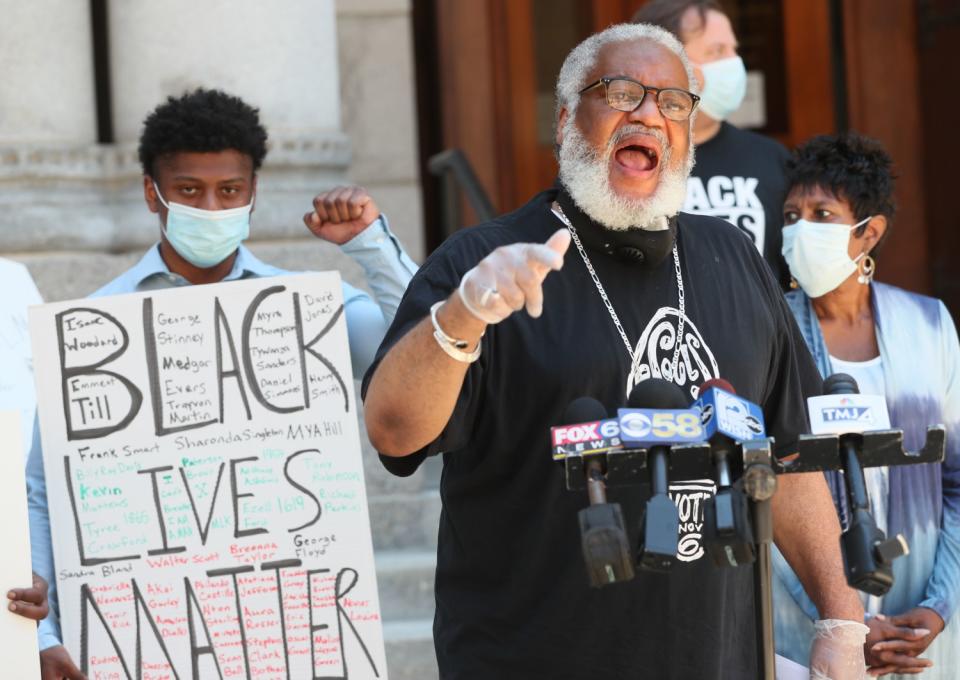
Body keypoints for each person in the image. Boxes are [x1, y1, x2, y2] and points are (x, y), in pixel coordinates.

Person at [363, 23, 867, 679]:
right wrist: (462, 316)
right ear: (568, 119)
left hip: (718, 658)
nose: (650, 115)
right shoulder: (480, 262)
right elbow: (395, 431)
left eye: (673, 102)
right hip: (535, 658)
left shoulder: (734, 259)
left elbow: (789, 455)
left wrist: (841, 620)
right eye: (623, 92)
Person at [27, 88, 417, 680]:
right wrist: (45, 632)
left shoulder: (308, 309)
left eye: (229, 190)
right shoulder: (90, 328)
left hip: (284, 635)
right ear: (150, 193)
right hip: (147, 642)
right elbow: (42, 486)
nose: (211, 206)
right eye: (189, 190)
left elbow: (422, 343)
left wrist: (370, 244)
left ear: (253, 193)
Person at [771, 133, 960, 678]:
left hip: (919, 639)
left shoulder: (930, 326)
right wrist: (844, 621)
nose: (800, 229)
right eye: (791, 215)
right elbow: (764, 489)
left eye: (821, 213)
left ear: (868, 232)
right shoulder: (769, 333)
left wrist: (938, 608)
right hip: (806, 632)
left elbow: (957, 480)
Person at [633, 0, 792, 287]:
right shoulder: (626, 164)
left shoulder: (770, 159)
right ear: (666, 64)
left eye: (734, 50)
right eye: (717, 51)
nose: (734, 63)